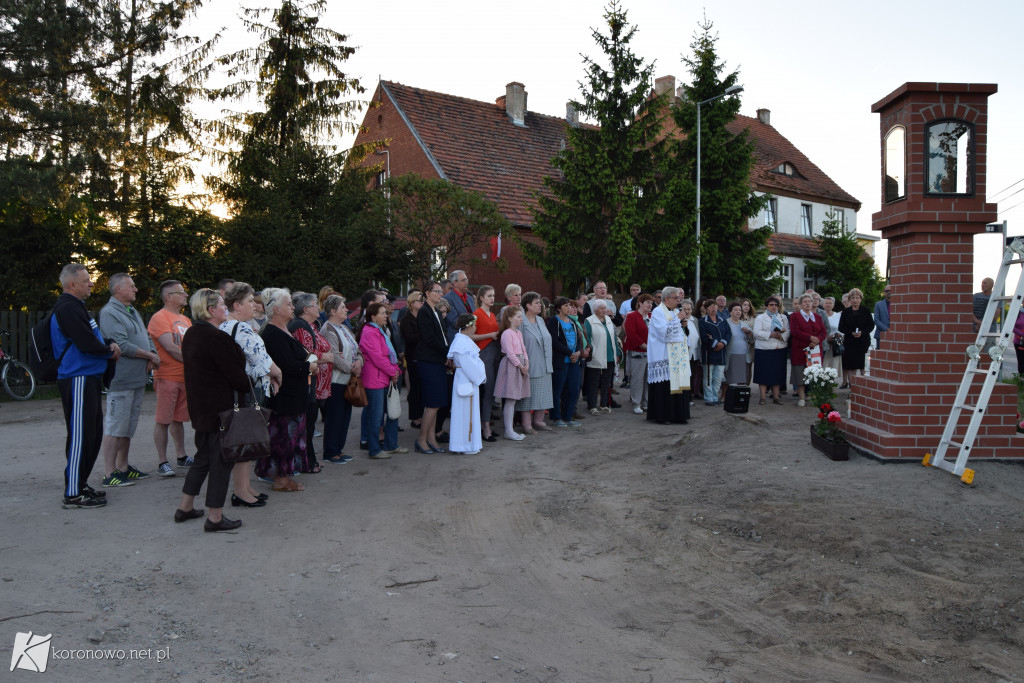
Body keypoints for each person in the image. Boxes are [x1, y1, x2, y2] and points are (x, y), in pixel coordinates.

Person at [173, 289, 250, 532]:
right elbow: (236, 375)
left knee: (203, 458)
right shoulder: (215, 337)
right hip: (220, 409)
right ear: (210, 310)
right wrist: (247, 383)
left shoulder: (192, 334)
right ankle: (215, 517)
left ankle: (185, 507)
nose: (225, 309)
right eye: (221, 305)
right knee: (220, 462)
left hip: (201, 408)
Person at [52, 264, 121, 508]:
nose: (91, 284)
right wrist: (109, 351)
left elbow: (93, 339)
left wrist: (108, 343)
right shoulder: (67, 307)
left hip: (88, 377)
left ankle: (80, 484)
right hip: (77, 377)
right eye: (86, 280)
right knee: (81, 436)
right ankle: (73, 494)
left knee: (92, 435)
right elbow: (85, 343)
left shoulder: (77, 307)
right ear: (72, 284)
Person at [98, 273, 162, 486]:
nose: (136, 289)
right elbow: (122, 345)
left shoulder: (131, 310)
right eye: (132, 286)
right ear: (118, 289)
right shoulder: (109, 312)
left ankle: (123, 467)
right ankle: (110, 474)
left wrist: (152, 353)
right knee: (116, 426)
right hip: (122, 379)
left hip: (137, 379)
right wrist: (150, 356)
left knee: (128, 426)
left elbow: (146, 336)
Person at [221, 282, 281, 506]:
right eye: (249, 302)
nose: (254, 306)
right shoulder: (240, 328)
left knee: (248, 437)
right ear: (236, 305)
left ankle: (245, 486)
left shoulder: (229, 326)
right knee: (246, 438)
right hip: (247, 389)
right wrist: (277, 373)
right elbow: (259, 358)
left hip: (245, 387)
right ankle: (240, 491)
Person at [257, 288, 314, 492]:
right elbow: (287, 365)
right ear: (276, 309)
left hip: (295, 394)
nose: (293, 307)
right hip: (284, 397)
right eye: (289, 304)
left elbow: (302, 355)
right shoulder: (272, 333)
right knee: (282, 439)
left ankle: (285, 475)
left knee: (292, 439)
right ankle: (279, 479)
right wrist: (310, 366)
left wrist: (309, 362)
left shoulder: (285, 329)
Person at [148, 280, 192, 468]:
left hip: (185, 377)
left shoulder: (185, 319)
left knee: (179, 419)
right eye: (181, 292)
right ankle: (162, 461)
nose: (186, 295)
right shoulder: (160, 318)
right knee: (163, 420)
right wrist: (195, 363)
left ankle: (181, 457)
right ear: (169, 297)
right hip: (167, 376)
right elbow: (170, 347)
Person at [289, 291, 333, 473]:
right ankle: (306, 462)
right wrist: (326, 356)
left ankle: (310, 459)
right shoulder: (300, 326)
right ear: (306, 309)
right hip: (308, 382)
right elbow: (306, 352)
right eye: (315, 305)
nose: (318, 308)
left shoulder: (310, 325)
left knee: (310, 423)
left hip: (316, 381)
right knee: (306, 424)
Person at [321, 294, 362, 464]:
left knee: (345, 417)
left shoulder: (344, 328)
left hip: (347, 379)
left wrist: (359, 361)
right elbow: (333, 357)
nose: (346, 310)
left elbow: (357, 349)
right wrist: (351, 368)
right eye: (343, 307)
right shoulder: (328, 329)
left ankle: (339, 449)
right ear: (332, 310)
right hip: (336, 380)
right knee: (335, 417)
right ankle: (330, 452)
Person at [359, 302, 404, 459]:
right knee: (376, 416)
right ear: (373, 317)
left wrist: (396, 370)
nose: (386, 315)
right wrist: (393, 372)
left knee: (392, 412)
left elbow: (389, 354)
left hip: (385, 377)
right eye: (383, 313)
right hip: (375, 380)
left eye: (386, 312)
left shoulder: (380, 330)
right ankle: (374, 449)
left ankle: (391, 445)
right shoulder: (369, 332)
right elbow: (377, 358)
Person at [415, 281, 452, 454]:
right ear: (427, 293)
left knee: (436, 402)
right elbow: (429, 339)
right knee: (432, 403)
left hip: (438, 361)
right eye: (436, 291)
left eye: (440, 291)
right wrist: (447, 352)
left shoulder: (437, 311)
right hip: (428, 361)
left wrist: (447, 355)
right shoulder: (424, 312)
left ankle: (431, 438)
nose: (440, 293)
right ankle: (421, 439)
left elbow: (443, 336)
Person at [646, 287, 691, 425]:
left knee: (677, 384)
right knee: (664, 386)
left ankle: (679, 415)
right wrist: (678, 319)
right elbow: (664, 333)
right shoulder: (658, 312)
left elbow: (681, 334)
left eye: (679, 298)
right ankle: (663, 415)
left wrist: (683, 325)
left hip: (677, 357)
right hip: (663, 354)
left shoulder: (676, 311)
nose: (679, 301)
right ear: (667, 299)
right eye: (676, 298)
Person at [447, 314, 487, 454]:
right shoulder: (461, 342)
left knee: (468, 412)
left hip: (467, 378)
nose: (476, 327)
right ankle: (464, 445)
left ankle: (469, 444)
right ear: (469, 326)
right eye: (474, 325)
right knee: (465, 413)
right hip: (466, 379)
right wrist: (480, 374)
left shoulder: (463, 340)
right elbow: (467, 364)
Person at [517, 291, 554, 431]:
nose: (541, 305)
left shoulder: (540, 320)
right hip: (529, 364)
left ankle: (539, 421)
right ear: (528, 305)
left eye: (540, 303)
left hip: (544, 363)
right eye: (537, 303)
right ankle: (526, 424)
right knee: (527, 396)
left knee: (543, 394)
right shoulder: (522, 322)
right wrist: (521, 364)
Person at [547, 296, 584, 427]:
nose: (569, 308)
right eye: (565, 305)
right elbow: (554, 342)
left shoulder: (572, 322)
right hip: (560, 361)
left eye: (570, 305)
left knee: (573, 389)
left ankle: (568, 417)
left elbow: (578, 340)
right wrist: (570, 353)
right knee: (558, 390)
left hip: (574, 361)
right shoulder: (553, 321)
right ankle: (556, 417)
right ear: (558, 308)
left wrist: (578, 352)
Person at [470, 285, 500, 441]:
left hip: (494, 353)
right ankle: (485, 427)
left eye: (493, 295)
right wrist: (490, 335)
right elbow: (469, 336)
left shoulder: (493, 315)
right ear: (481, 297)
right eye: (489, 295)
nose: (492, 298)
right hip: (484, 354)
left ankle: (486, 424)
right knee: (486, 391)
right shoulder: (476, 314)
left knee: (491, 391)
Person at [495, 306, 529, 440]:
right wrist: (521, 366)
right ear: (510, 318)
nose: (521, 319)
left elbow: (524, 350)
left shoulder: (518, 333)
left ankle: (510, 430)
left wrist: (526, 364)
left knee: (513, 400)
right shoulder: (507, 333)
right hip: (512, 366)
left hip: (520, 365)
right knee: (510, 399)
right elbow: (510, 353)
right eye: (518, 316)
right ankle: (508, 430)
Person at [789, 293, 827, 407]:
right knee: (800, 373)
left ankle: (813, 396)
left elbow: (823, 332)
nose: (807, 303)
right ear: (800, 304)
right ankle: (801, 397)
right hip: (800, 350)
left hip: (815, 349)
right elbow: (795, 331)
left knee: (814, 373)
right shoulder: (794, 316)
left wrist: (817, 340)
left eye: (809, 301)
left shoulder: (818, 317)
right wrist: (810, 338)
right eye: (804, 302)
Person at [752, 296, 791, 405]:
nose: (774, 307)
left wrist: (781, 337)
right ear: (766, 306)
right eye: (771, 305)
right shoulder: (760, 318)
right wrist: (770, 334)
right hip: (764, 349)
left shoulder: (783, 317)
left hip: (779, 348)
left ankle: (776, 396)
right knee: (763, 374)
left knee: (777, 374)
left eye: (776, 305)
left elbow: (788, 331)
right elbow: (756, 332)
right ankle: (763, 397)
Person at [584, 299, 619, 415]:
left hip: (609, 356)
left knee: (606, 383)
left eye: (605, 308)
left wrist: (617, 353)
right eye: (601, 308)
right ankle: (592, 406)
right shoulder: (589, 321)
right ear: (595, 310)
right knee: (593, 383)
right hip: (596, 356)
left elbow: (613, 337)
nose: (604, 310)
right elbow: (587, 338)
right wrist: (590, 352)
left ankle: (604, 404)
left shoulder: (608, 319)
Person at [838, 288, 874, 388]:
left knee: (862, 365)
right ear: (849, 299)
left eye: (857, 298)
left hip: (863, 341)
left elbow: (871, 325)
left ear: (861, 299)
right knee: (851, 365)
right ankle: (853, 387)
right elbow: (841, 327)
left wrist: (862, 332)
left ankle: (865, 387)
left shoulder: (866, 311)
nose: (855, 300)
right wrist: (851, 333)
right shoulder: (846, 312)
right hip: (850, 341)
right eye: (852, 298)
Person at [624, 293, 653, 414]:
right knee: (637, 379)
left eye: (651, 303)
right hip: (637, 353)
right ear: (640, 303)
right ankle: (636, 403)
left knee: (648, 379)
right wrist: (645, 346)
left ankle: (646, 403)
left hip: (651, 354)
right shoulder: (632, 316)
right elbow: (631, 334)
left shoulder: (652, 316)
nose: (650, 305)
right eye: (647, 303)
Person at [399, 291, 424, 430]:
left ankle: (420, 414)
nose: (422, 303)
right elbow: (409, 337)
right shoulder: (406, 319)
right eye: (420, 301)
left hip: (421, 355)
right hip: (413, 356)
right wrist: (424, 334)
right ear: (412, 303)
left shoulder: (421, 316)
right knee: (414, 388)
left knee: (421, 388)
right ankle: (415, 417)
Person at [698, 299, 731, 406]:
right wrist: (715, 343)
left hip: (721, 354)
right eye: (710, 306)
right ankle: (709, 398)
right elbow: (704, 337)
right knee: (708, 377)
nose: (713, 309)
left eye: (714, 306)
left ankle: (715, 397)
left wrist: (722, 343)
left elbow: (728, 334)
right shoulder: (703, 321)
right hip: (708, 354)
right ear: (706, 309)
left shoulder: (723, 320)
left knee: (717, 378)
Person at [724, 302, 752, 389]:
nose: (738, 312)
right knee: (728, 377)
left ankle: (740, 395)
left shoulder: (744, 324)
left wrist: (748, 332)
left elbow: (752, 338)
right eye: (735, 310)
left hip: (743, 354)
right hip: (730, 354)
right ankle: (724, 396)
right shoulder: (726, 323)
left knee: (742, 377)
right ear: (730, 312)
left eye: (739, 310)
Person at [442, 270, 476, 340]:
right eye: (463, 280)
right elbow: (455, 321)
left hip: (471, 338)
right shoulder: (447, 299)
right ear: (455, 283)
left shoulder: (470, 298)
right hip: (457, 338)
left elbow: (474, 315)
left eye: (466, 279)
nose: (466, 282)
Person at [822, 296, 843, 378]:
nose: (828, 305)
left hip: (835, 343)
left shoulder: (838, 316)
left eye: (830, 303)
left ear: (833, 305)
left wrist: (837, 335)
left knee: (833, 364)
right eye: (826, 303)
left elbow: (841, 328)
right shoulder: (820, 315)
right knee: (824, 363)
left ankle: (831, 383)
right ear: (823, 304)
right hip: (823, 342)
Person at [874, 284, 891, 349]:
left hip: (895, 335)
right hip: (881, 335)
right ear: (884, 292)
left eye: (891, 290)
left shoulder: (898, 304)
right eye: (887, 291)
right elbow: (876, 320)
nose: (889, 292)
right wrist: (886, 329)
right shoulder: (878, 304)